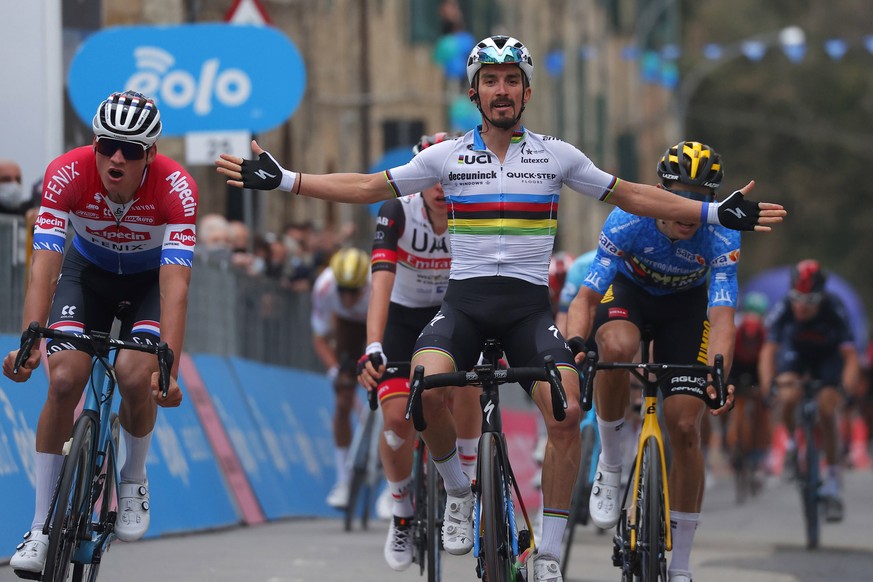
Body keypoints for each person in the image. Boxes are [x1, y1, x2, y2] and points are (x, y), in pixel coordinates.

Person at [216, 36, 784, 582]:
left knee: (566, 412)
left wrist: (712, 215)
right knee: (423, 388)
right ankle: (459, 495)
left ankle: (553, 555)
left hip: (527, 313)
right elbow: (368, 186)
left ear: (527, 92)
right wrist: (287, 180)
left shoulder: (557, 156)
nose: (502, 89)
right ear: (475, 93)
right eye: (491, 81)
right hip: (463, 306)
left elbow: (632, 194)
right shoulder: (445, 157)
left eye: (512, 79)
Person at [2, 90, 194, 575]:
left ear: (150, 153)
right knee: (64, 379)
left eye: (131, 150)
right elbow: (44, 263)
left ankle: (132, 475)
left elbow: (175, 287)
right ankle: (41, 527)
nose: (115, 158)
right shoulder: (66, 172)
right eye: (107, 144)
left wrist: (168, 364)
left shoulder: (177, 188)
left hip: (149, 282)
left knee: (134, 376)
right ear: (94, 141)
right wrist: (31, 338)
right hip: (87, 274)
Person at [565, 141, 743, 582]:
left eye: (700, 198)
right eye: (679, 195)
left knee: (685, 426)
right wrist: (574, 344)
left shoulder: (722, 232)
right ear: (661, 191)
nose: (689, 209)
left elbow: (721, 315)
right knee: (618, 348)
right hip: (628, 296)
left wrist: (719, 373)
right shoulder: (628, 218)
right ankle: (610, 461)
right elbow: (586, 297)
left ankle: (680, 564)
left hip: (685, 309)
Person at [356, 132, 482, 571]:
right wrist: (373, 344)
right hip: (403, 318)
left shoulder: (474, 210)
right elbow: (381, 282)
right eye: (431, 174)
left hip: (455, 314)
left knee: (470, 384)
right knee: (395, 422)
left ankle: (463, 480)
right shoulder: (398, 209)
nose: (440, 184)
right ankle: (402, 510)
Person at [759, 259, 859, 522]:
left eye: (810, 300)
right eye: (796, 298)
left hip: (828, 359)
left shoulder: (835, 308)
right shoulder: (784, 308)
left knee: (827, 410)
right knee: (788, 394)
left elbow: (850, 358)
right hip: (796, 355)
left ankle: (834, 479)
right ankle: (792, 443)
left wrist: (846, 391)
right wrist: (769, 385)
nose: (801, 306)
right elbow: (768, 351)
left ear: (821, 296)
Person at [311, 246, 372, 509]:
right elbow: (320, 337)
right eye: (342, 291)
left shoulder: (379, 282)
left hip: (379, 323)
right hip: (346, 328)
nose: (347, 297)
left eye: (354, 291)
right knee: (342, 401)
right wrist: (335, 370)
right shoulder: (324, 287)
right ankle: (344, 480)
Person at [725, 290, 771, 491]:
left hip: (756, 369)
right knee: (730, 402)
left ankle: (759, 455)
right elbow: (727, 359)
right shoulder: (736, 330)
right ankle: (732, 441)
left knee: (763, 409)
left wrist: (766, 389)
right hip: (736, 366)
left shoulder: (766, 334)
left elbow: (767, 363)